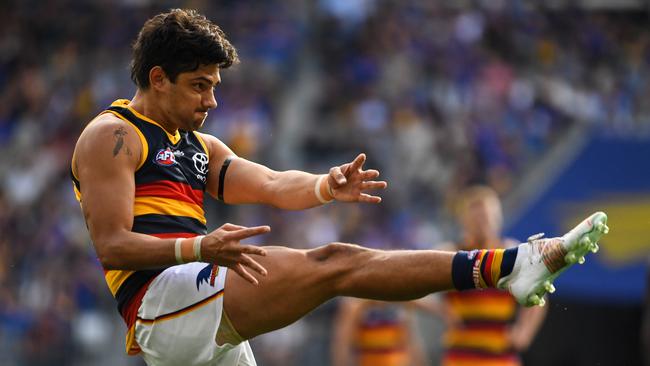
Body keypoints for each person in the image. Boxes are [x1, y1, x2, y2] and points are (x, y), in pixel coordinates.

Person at [70, 9, 609, 366]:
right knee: (336, 262)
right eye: (199, 87)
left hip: (195, 303)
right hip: (159, 301)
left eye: (214, 87)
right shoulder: (112, 136)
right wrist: (199, 246)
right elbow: (112, 244)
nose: (211, 103)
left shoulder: (199, 146)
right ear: (157, 77)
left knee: (337, 261)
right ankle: (508, 266)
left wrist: (326, 186)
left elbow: (276, 182)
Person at [438, 186, 547, 366]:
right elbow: (414, 286)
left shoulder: (511, 253)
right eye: (476, 218)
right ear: (464, 220)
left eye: (487, 217)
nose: (482, 223)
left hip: (500, 356)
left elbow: (540, 291)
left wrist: (524, 332)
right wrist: (440, 310)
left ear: (498, 219)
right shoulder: (451, 253)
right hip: (461, 356)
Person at [331, 298, 429, 366]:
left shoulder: (401, 301)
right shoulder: (355, 305)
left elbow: (411, 342)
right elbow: (342, 343)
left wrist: (420, 362)